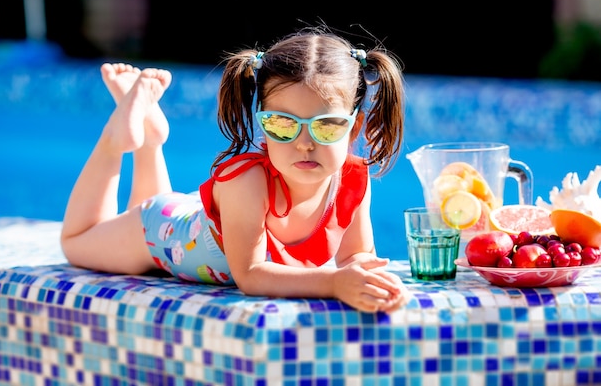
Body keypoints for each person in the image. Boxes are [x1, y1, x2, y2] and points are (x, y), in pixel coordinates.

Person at [60, 27, 410, 313]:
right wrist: (334, 283)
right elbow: (251, 275)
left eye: (327, 125)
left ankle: (151, 138)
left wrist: (374, 280)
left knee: (151, 199)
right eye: (283, 125)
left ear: (355, 127)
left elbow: (356, 256)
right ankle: (114, 138)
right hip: (159, 231)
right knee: (76, 243)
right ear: (262, 126)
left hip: (181, 216)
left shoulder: (352, 178)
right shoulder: (248, 181)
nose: (305, 143)